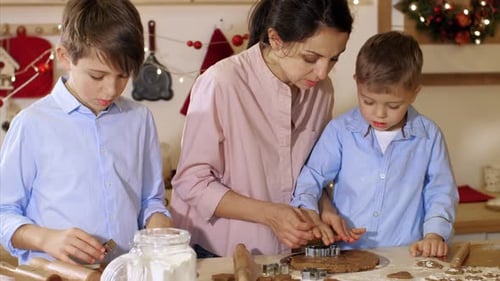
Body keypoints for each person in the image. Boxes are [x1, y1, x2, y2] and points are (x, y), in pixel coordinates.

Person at [170, 0, 355, 258]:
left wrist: (325, 208)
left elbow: (312, 170)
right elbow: (191, 183)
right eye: (311, 58)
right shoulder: (221, 83)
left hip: (289, 255)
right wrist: (270, 214)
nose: (323, 72)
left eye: (334, 58)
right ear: (276, 39)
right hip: (217, 252)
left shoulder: (321, 92)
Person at [0, 0, 173, 265]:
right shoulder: (31, 124)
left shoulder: (139, 120)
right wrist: (46, 239)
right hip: (56, 274)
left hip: (126, 270)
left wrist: (158, 224)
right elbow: (3, 212)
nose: (111, 90)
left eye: (123, 76)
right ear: (65, 57)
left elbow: (150, 199)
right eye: (97, 76)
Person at [291, 31, 459, 258]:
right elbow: (311, 178)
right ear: (357, 84)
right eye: (367, 101)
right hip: (347, 254)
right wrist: (311, 214)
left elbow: (440, 193)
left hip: (408, 256)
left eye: (393, 105)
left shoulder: (429, 137)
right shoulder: (340, 131)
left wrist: (435, 235)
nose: (379, 114)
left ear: (414, 93)